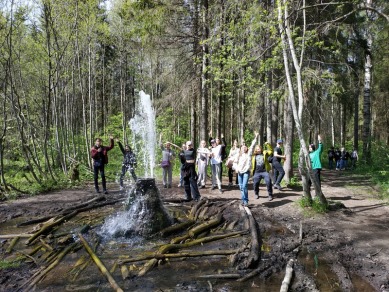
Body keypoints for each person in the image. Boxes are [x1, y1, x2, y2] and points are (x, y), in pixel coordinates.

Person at [233, 132, 258, 206]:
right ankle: (243, 199)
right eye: (242, 147)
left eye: (245, 147)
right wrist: (236, 169)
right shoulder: (238, 155)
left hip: (246, 172)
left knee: (244, 186)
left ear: (247, 148)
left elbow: (252, 145)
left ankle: (246, 201)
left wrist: (256, 137)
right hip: (239, 172)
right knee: (241, 187)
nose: (244, 148)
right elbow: (234, 163)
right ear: (240, 149)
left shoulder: (249, 154)